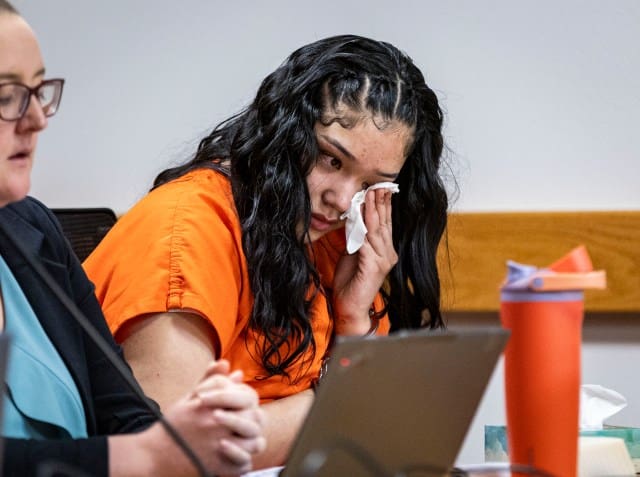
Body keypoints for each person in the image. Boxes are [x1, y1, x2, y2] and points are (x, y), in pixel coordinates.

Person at [84, 33, 449, 468]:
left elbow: (380, 425)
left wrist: (354, 321)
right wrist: (337, 400)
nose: (340, 200)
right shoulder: (185, 229)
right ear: (284, 133)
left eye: (370, 184)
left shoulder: (336, 245)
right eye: (331, 159)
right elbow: (176, 453)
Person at [0, 2, 265, 476]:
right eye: (7, 96)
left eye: (39, 91)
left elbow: (125, 411)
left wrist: (188, 438)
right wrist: (146, 456)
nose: (37, 119)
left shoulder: (30, 227)